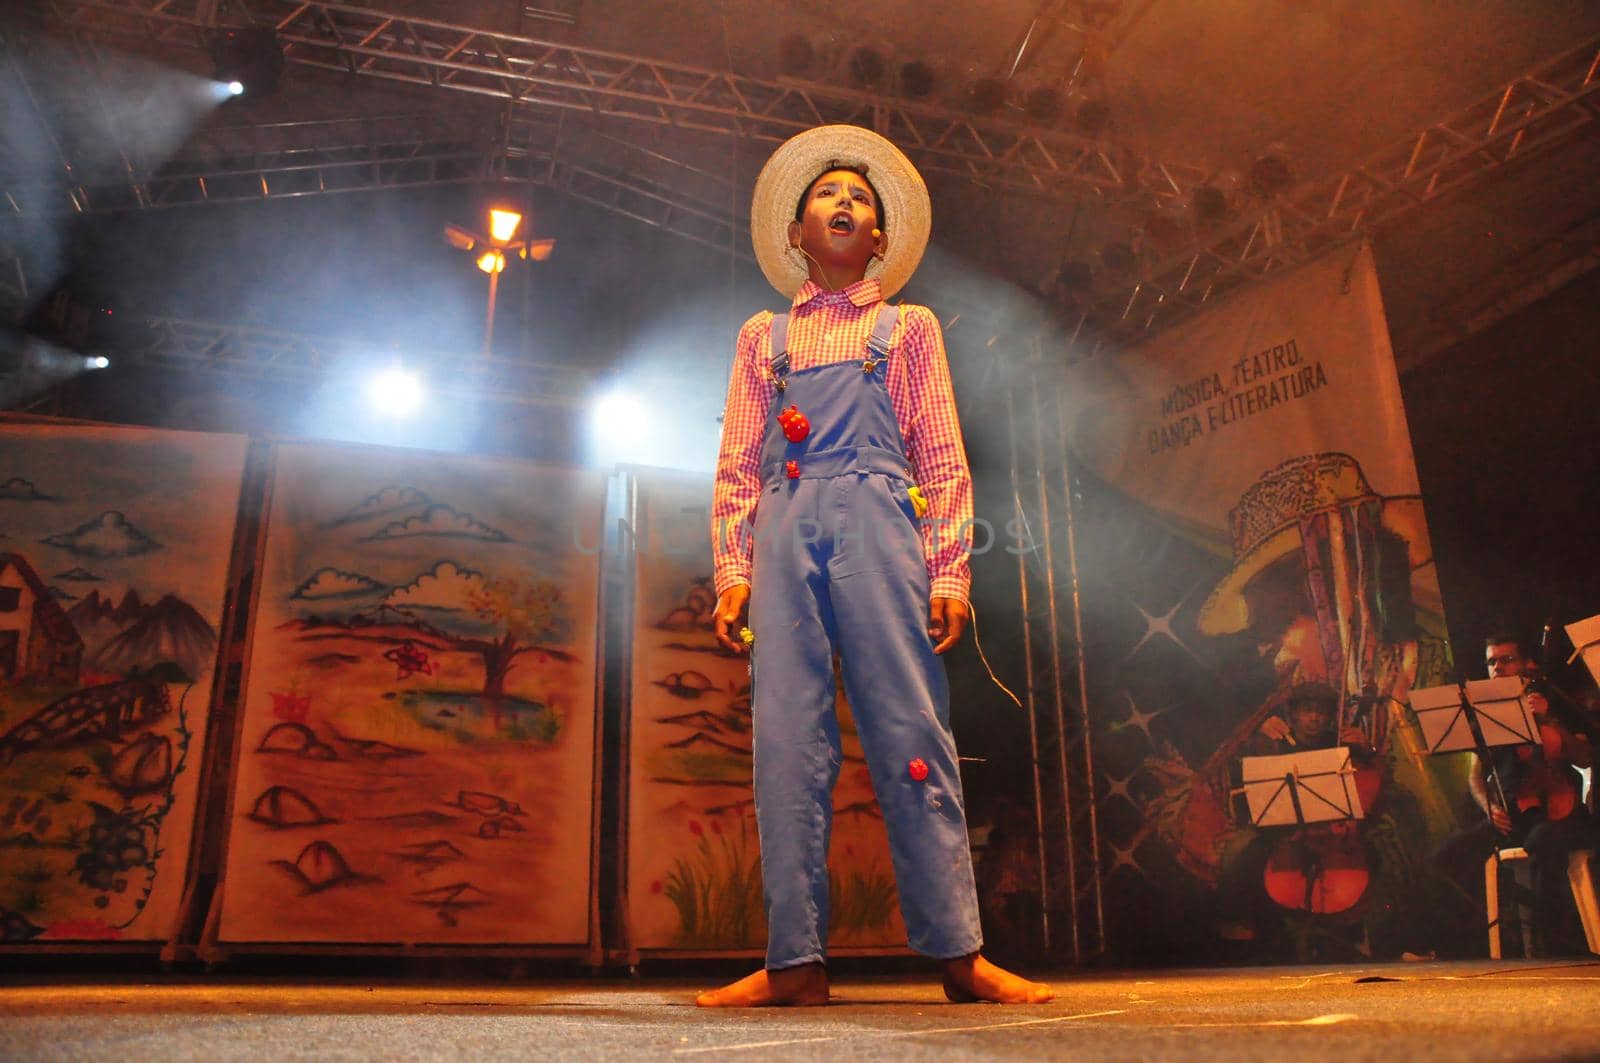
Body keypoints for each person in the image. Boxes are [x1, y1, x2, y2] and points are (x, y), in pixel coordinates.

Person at [699, 125, 1052, 1007]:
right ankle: (795, 961)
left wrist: (950, 574)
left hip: (882, 521)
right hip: (785, 526)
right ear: (797, 232)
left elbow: (941, 453)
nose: (845, 202)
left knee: (912, 734)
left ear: (883, 239)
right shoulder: (761, 338)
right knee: (786, 741)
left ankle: (959, 955)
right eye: (827, 194)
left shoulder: (909, 328)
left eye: (861, 196)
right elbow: (739, 460)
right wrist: (732, 566)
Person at [1434, 634, 1595, 955]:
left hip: (1561, 814)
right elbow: (1476, 774)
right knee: (1447, 855)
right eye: (1492, 661)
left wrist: (1548, 719)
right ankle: (1472, 945)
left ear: (1527, 665)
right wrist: (1488, 806)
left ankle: (1555, 945)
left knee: (1543, 842)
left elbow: (1584, 758)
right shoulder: (1488, 713)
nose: (1497, 667)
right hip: (1512, 814)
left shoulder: (1556, 703)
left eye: (1506, 660)